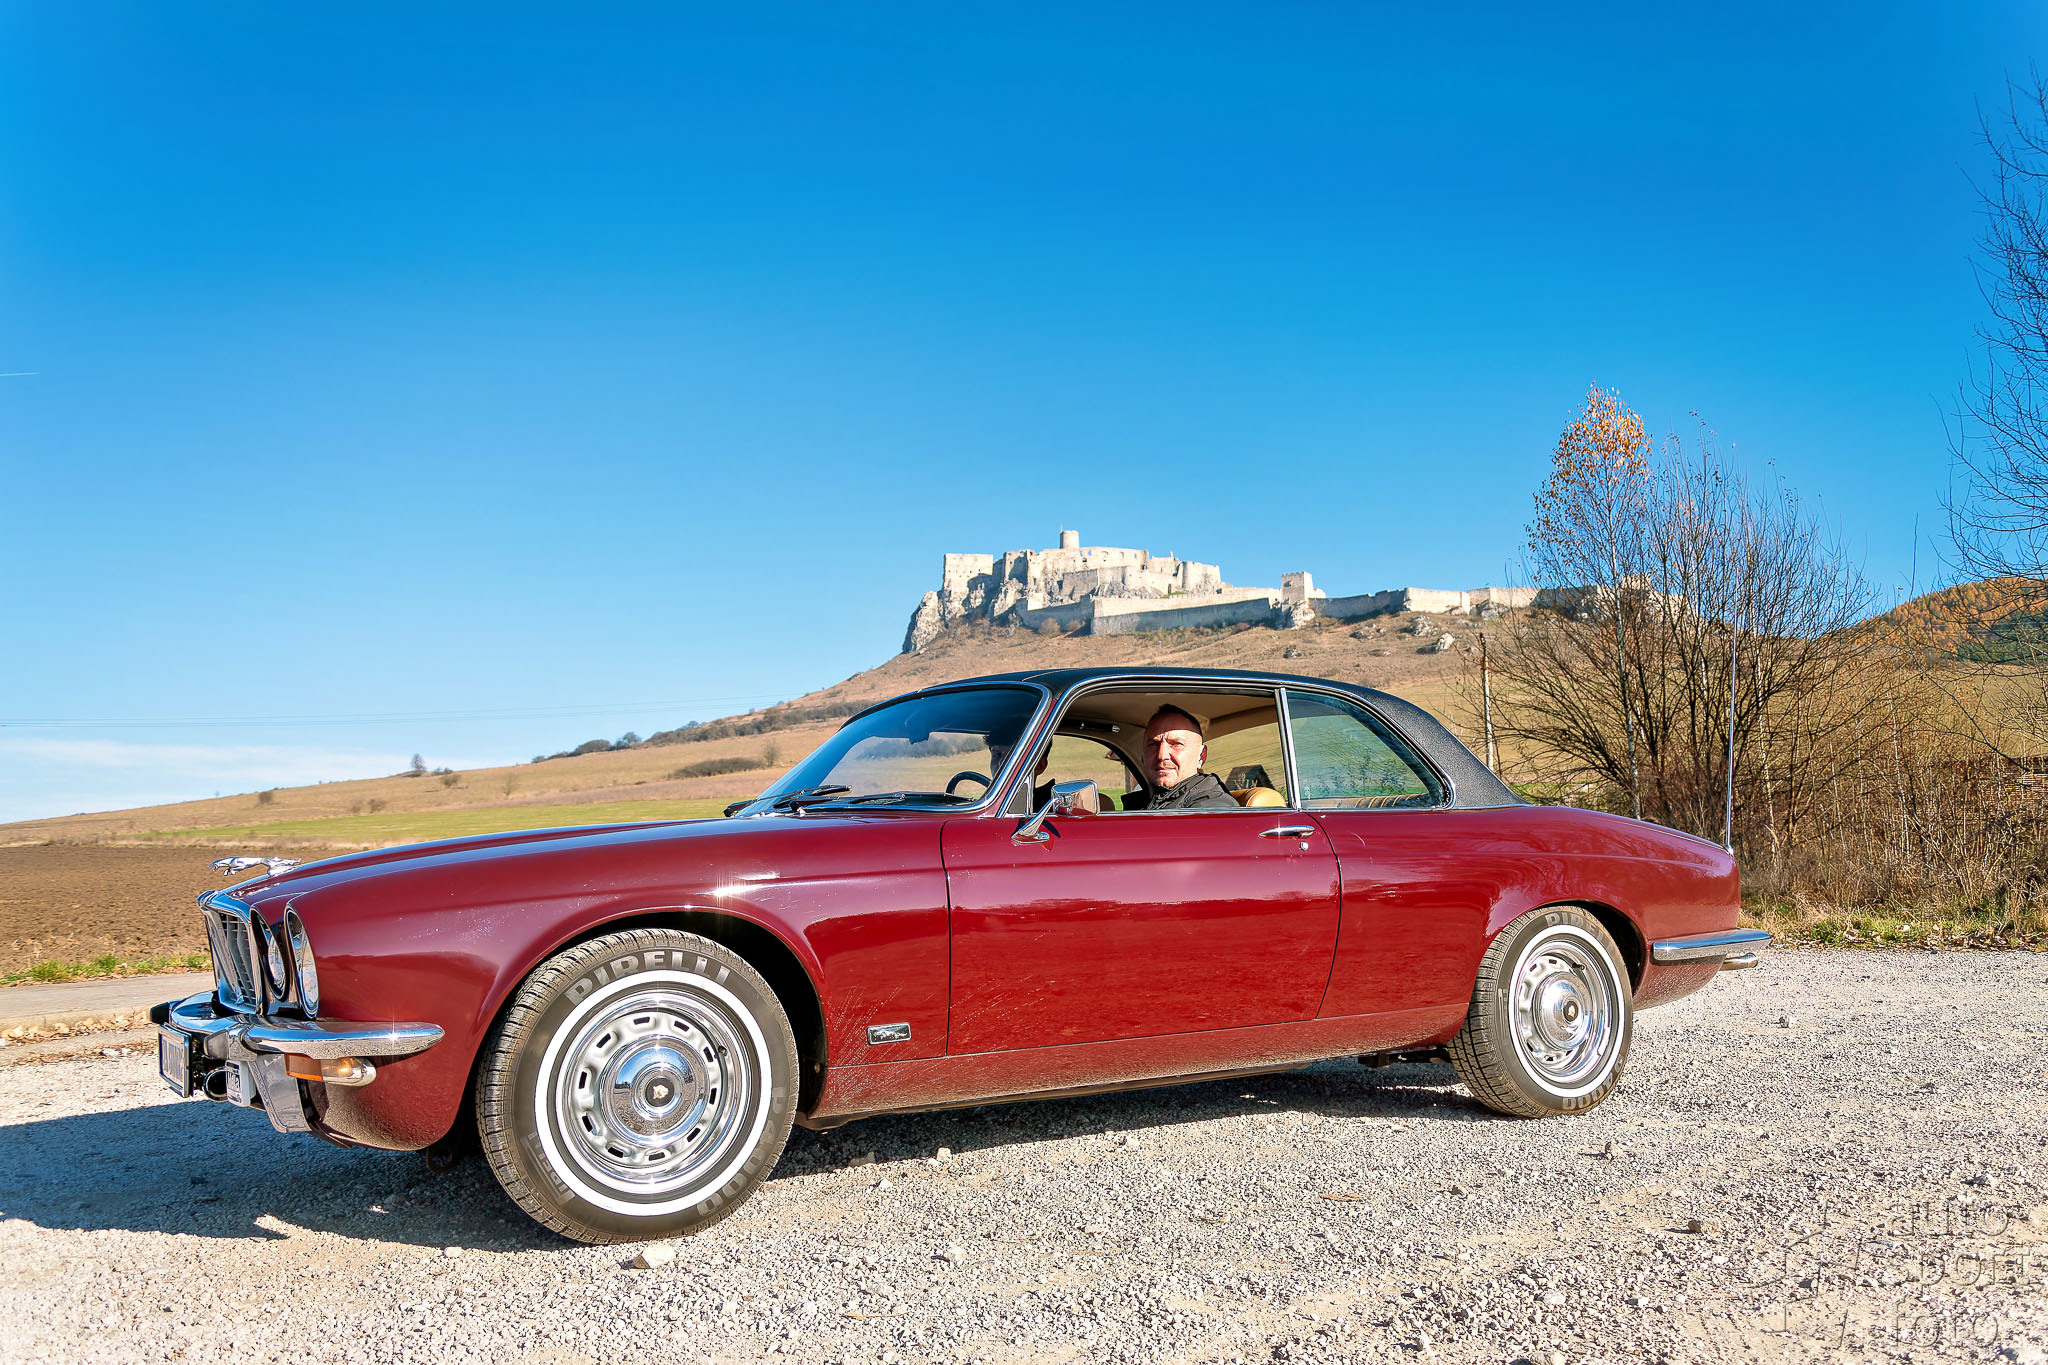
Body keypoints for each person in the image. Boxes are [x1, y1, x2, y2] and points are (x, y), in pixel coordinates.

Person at [1122, 705, 1239, 811]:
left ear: (1201, 756)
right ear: (1142, 756)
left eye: (1176, 744)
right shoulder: (1141, 803)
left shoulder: (1212, 809)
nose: (1161, 755)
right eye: (1153, 744)